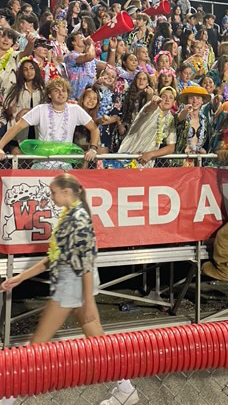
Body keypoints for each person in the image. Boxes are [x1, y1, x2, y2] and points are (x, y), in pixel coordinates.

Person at [0, 173, 139, 405]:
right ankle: (126, 389)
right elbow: (53, 258)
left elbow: (85, 263)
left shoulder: (78, 219)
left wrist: (88, 302)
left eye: (53, 192)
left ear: (66, 192)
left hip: (71, 287)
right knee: (99, 345)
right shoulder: (69, 216)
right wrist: (20, 278)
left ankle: (8, 396)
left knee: (37, 345)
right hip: (72, 284)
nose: (51, 196)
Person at [0, 78, 99, 166]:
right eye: (56, 91)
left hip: (65, 164)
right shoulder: (41, 109)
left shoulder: (75, 110)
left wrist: (93, 148)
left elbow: (94, 128)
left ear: (68, 94)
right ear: (49, 95)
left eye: (64, 91)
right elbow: (17, 127)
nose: (61, 93)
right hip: (42, 163)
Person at [117, 87, 177, 167]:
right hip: (128, 156)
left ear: (174, 103)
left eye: (171, 97)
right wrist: (153, 102)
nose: (167, 100)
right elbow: (150, 108)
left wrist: (151, 154)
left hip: (146, 162)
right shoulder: (152, 107)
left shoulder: (170, 119)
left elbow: (171, 147)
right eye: (164, 96)